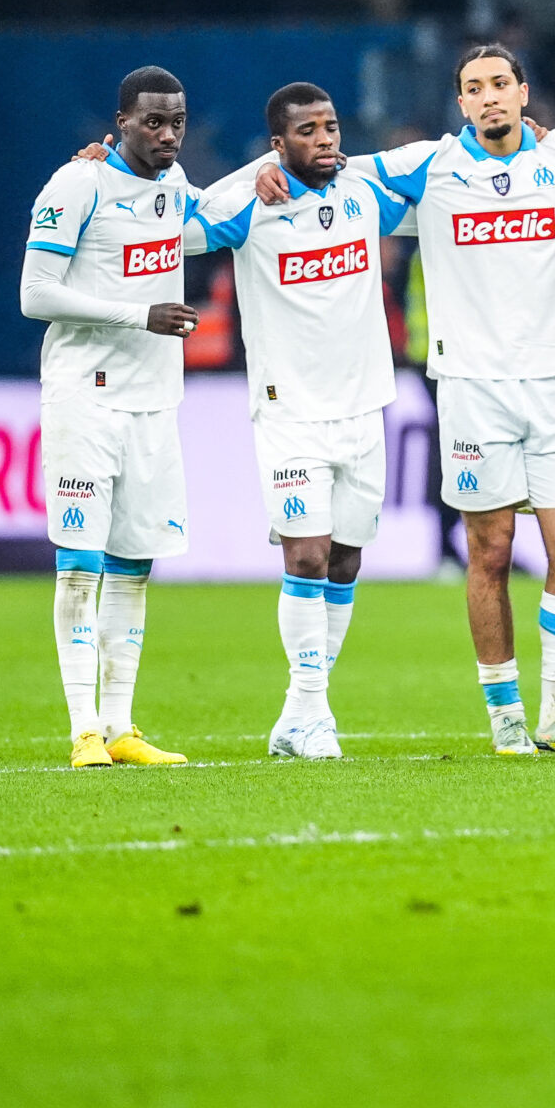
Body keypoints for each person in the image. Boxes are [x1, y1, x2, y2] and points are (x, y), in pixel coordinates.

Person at [340, 45, 555, 755]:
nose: (489, 96)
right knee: (490, 552)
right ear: (460, 102)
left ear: (524, 91)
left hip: (553, 383)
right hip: (470, 388)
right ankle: (506, 718)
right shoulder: (429, 166)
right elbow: (325, 171)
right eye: (474, 87)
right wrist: (272, 173)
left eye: (500, 83)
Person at [194, 84, 410, 761]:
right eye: (307, 131)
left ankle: (298, 712)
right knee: (307, 554)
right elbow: (181, 223)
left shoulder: (365, 193)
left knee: (344, 560)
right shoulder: (250, 205)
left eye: (331, 127)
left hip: (364, 406)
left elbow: (436, 184)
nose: (324, 140)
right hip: (289, 411)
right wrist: (252, 174)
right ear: (278, 143)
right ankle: (315, 714)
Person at [19, 66, 204, 769]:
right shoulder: (78, 184)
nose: (168, 134)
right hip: (84, 398)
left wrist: (271, 172)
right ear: (120, 121)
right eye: (153, 122)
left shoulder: (175, 188)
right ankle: (83, 731)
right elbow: (35, 294)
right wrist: (139, 314)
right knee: (79, 566)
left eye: (177, 122)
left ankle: (122, 727)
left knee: (133, 566)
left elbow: (223, 211)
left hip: (154, 401)